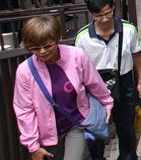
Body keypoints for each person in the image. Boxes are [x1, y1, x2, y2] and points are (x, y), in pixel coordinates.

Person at [13, 15, 113, 160]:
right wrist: (33, 146)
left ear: (57, 39)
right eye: (35, 48)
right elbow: (24, 110)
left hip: (76, 123)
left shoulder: (76, 55)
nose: (42, 52)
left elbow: (94, 82)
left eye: (47, 46)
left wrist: (107, 103)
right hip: (47, 134)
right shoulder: (24, 71)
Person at [75, 0, 141, 160]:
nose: (105, 18)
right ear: (91, 14)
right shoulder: (82, 37)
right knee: (95, 130)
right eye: (99, 15)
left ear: (113, 8)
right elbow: (77, 67)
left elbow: (137, 54)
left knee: (127, 127)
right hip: (94, 85)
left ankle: (127, 157)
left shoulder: (128, 29)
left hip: (124, 81)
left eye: (108, 13)